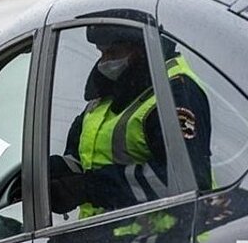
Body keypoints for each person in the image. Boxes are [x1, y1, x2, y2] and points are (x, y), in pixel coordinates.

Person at [50, 14, 212, 217]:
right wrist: (49, 174)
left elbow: (182, 180)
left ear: (140, 47)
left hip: (169, 240)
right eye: (102, 53)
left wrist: (91, 188)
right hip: (105, 240)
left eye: (114, 52)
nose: (105, 62)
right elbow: (87, 160)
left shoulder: (172, 92)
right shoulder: (108, 92)